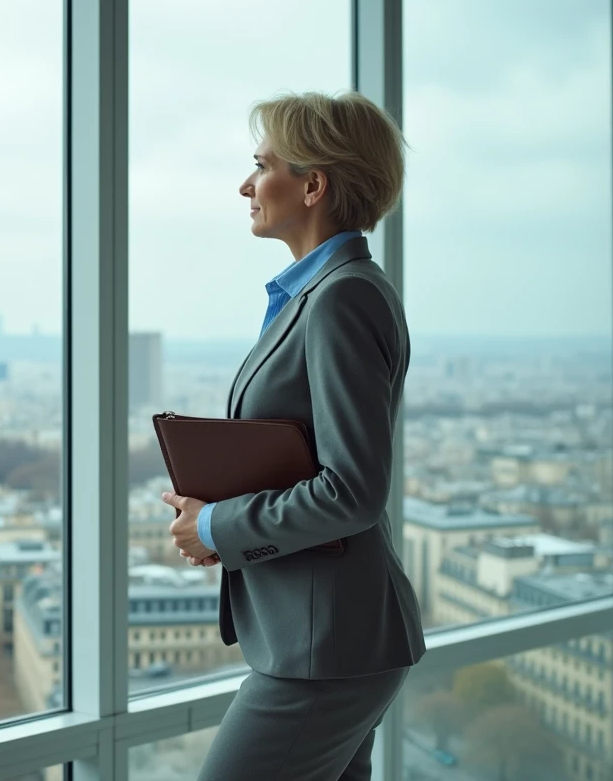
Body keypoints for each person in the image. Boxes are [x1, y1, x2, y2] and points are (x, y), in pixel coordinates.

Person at [164, 90, 425, 780]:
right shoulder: (324, 293)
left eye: (261, 165)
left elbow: (352, 490)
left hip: (327, 645)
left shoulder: (342, 298)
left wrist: (220, 525)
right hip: (326, 637)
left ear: (313, 185)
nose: (245, 185)